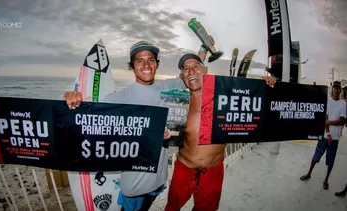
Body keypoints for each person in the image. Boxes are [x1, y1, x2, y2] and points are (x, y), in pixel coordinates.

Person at [63, 38, 213, 211]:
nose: (146, 65)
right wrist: (72, 101)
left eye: (151, 60)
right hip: (134, 188)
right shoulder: (119, 98)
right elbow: (88, 119)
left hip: (158, 182)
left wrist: (203, 49)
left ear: (157, 65)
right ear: (132, 66)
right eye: (139, 61)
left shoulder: (166, 88)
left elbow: (191, 73)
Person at [165, 53, 277, 211]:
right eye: (186, 69)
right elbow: (164, 131)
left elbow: (259, 104)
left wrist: (268, 86)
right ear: (181, 75)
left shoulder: (227, 96)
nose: (191, 72)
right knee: (172, 207)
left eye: (196, 67)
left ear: (205, 70)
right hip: (184, 168)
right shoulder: (177, 103)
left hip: (213, 169)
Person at [300, 81, 346, 190]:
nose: (336, 90)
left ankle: (326, 180)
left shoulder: (343, 104)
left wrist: (329, 123)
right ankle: (309, 173)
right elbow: (324, 117)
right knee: (316, 155)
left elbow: (342, 120)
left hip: (335, 138)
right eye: (334, 87)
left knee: (331, 161)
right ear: (332, 89)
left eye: (338, 88)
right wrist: (328, 133)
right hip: (325, 135)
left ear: (340, 90)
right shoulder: (327, 101)